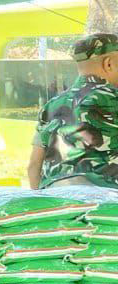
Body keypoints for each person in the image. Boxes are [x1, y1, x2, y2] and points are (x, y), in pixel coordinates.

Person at [29, 32, 118, 189]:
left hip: (57, 198)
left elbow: (33, 167)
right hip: (107, 200)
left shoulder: (51, 105)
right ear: (108, 64)